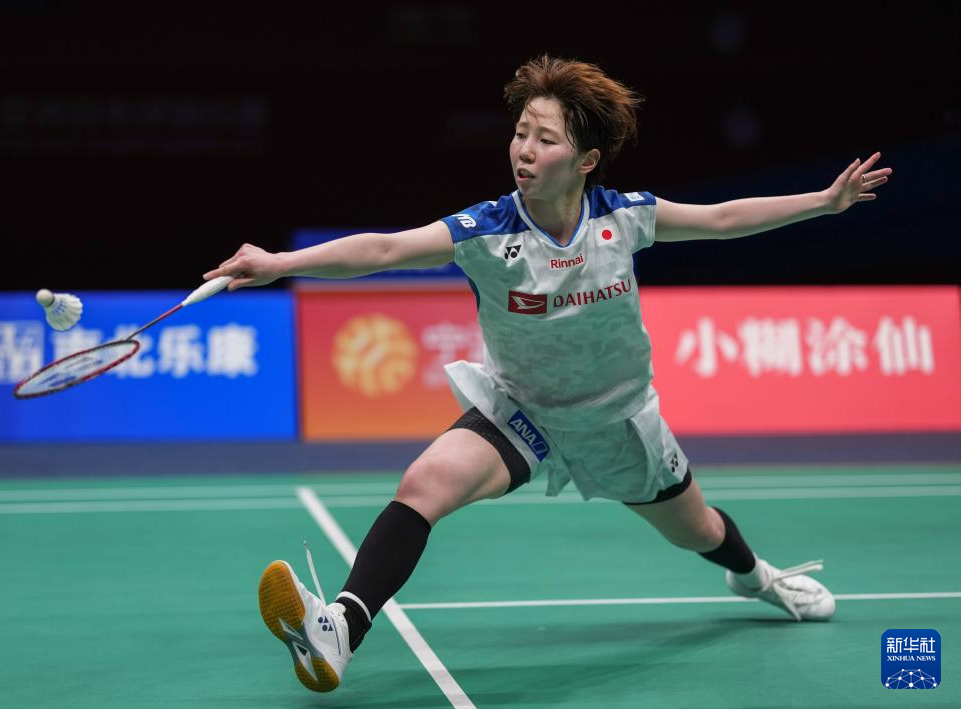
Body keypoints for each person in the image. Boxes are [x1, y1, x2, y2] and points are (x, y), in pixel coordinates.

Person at [204, 55, 891, 693]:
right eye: (519, 133)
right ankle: (339, 630)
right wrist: (280, 264)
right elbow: (386, 249)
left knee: (701, 531)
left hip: (618, 422)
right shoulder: (486, 231)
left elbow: (721, 218)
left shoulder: (624, 218)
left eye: (545, 139)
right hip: (523, 411)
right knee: (425, 483)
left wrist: (822, 202)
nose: (523, 151)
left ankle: (759, 578)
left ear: (586, 160)